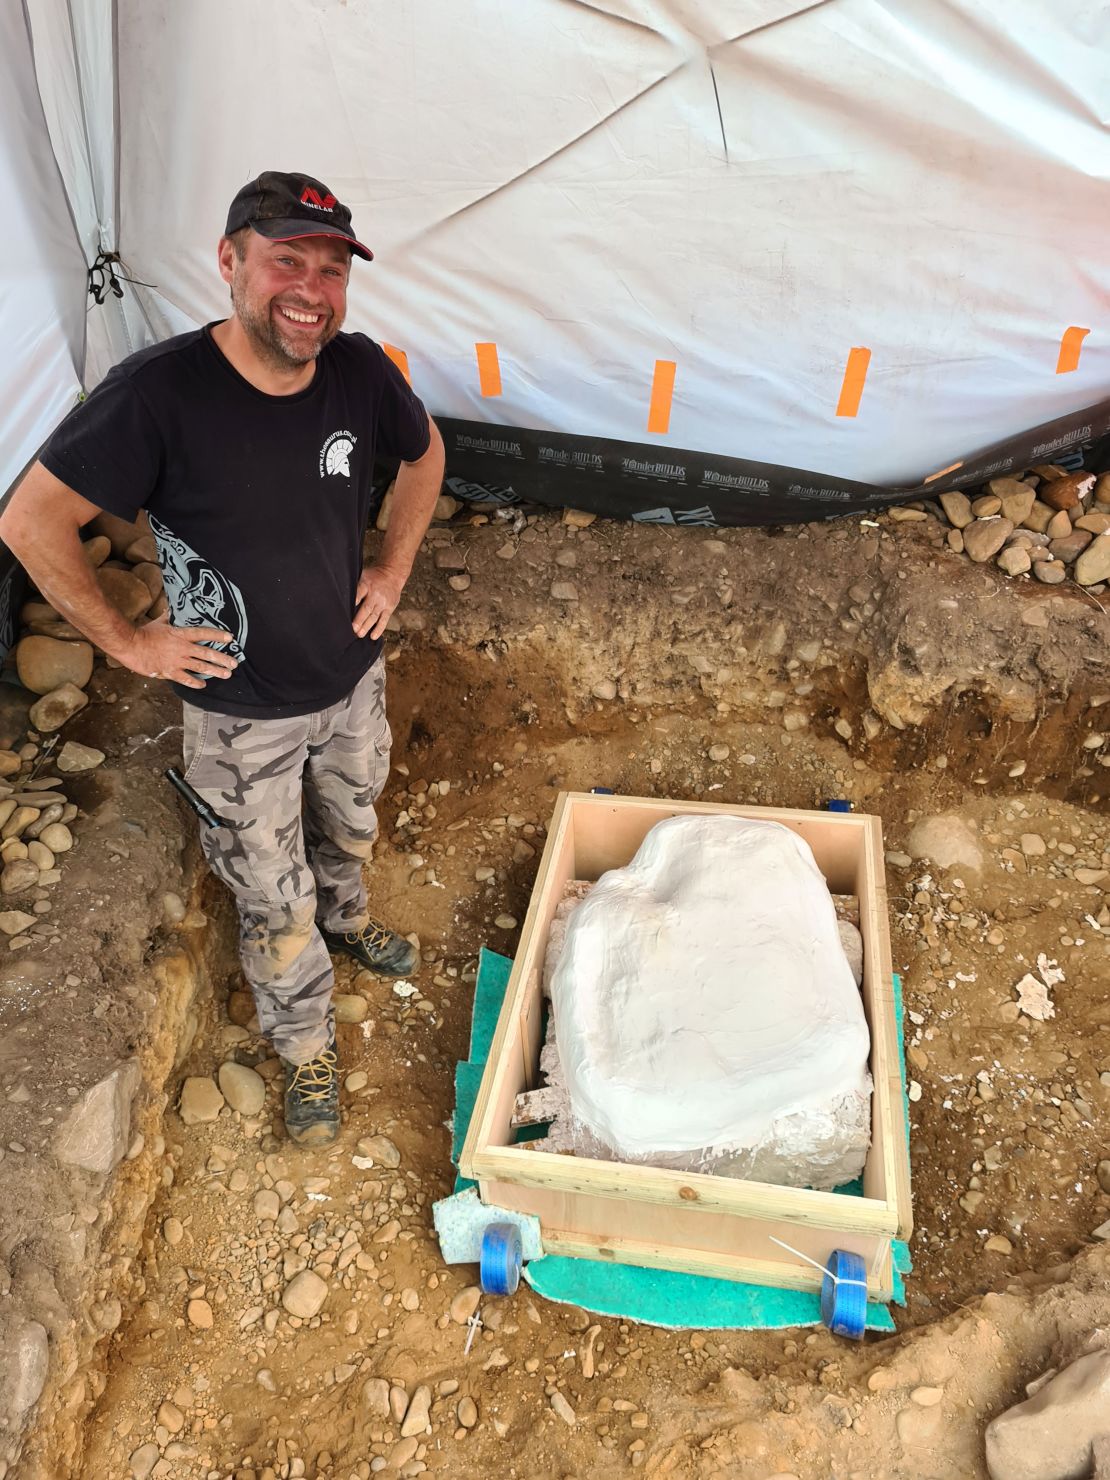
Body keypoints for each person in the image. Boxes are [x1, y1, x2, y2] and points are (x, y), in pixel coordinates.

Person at [0, 171, 446, 1148]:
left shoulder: (361, 372)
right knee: (268, 895)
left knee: (352, 818)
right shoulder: (159, 398)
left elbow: (426, 454)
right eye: (288, 258)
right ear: (232, 262)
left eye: (331, 267)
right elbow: (31, 521)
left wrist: (392, 562)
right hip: (239, 715)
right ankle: (305, 1045)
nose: (311, 287)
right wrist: (126, 642)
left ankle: (348, 915)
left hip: (349, 679)